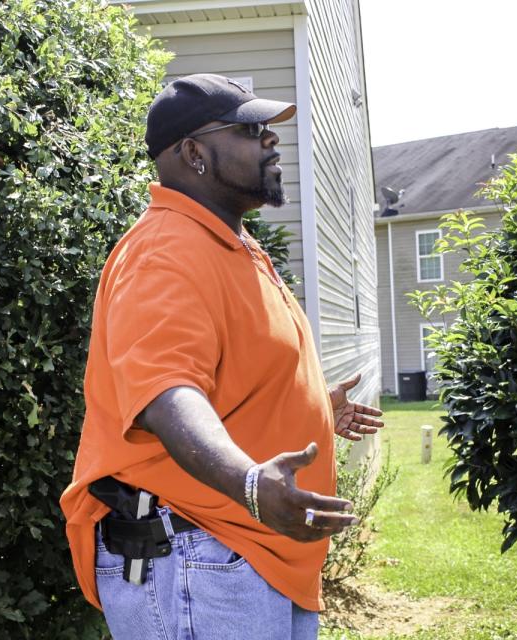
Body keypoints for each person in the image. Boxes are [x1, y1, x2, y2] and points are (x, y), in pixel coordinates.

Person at [59, 73, 384, 640]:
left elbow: (228, 383)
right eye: (251, 129)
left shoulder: (231, 245)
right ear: (194, 153)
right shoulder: (165, 250)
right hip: (196, 559)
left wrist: (304, 412)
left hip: (240, 557)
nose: (271, 140)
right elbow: (168, 395)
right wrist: (251, 482)